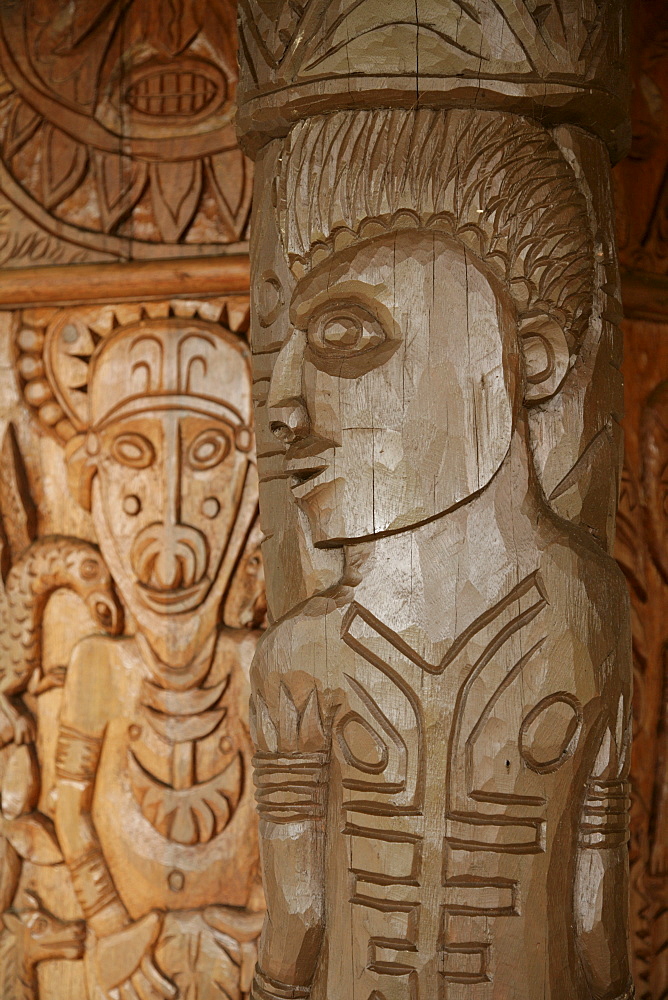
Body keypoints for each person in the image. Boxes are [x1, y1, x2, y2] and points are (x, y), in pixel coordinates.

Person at [249, 108, 634, 1000]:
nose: (284, 406)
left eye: (348, 338)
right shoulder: (299, 657)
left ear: (528, 363)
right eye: (283, 353)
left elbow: (296, 928)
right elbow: (595, 931)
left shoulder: (587, 615)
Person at [56, 318, 264, 1000]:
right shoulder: (98, 668)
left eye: (206, 450)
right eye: (132, 451)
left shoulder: (255, 665)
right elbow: (69, 807)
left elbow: (301, 816)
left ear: (251, 487)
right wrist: (113, 929)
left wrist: (264, 922)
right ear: (89, 480)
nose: (170, 523)